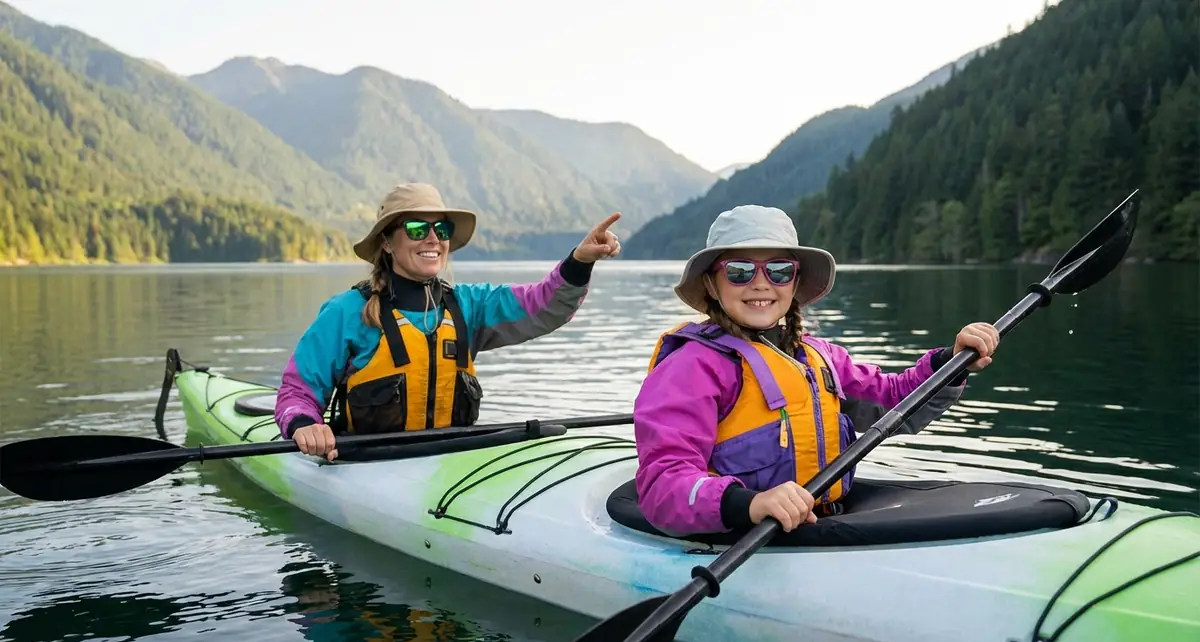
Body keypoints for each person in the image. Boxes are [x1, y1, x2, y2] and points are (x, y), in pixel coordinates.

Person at [632, 205, 1000, 538]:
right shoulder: (689, 367)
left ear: (794, 283)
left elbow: (894, 401)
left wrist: (950, 363)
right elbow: (663, 483)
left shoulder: (819, 357)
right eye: (739, 271)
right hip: (742, 534)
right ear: (712, 284)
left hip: (822, 525)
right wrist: (749, 504)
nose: (761, 283)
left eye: (778, 270)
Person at [275, 182, 622, 461]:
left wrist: (579, 261)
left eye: (441, 229)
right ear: (386, 242)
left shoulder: (470, 305)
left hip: (452, 461)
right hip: (366, 464)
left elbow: (543, 305)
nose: (432, 239)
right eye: (415, 228)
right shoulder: (347, 312)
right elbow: (297, 392)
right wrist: (305, 425)